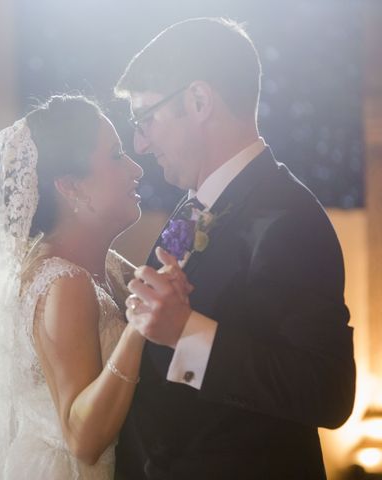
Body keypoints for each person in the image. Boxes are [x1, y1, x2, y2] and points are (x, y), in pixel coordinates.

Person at [113, 17, 356, 479]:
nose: (142, 143)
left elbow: (329, 392)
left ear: (199, 100)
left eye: (147, 119)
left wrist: (187, 333)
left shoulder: (289, 217)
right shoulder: (195, 205)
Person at [0, 95, 192, 479]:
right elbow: (82, 439)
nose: (136, 169)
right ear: (72, 186)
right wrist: (137, 329)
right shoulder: (64, 283)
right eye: (116, 155)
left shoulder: (104, 265)